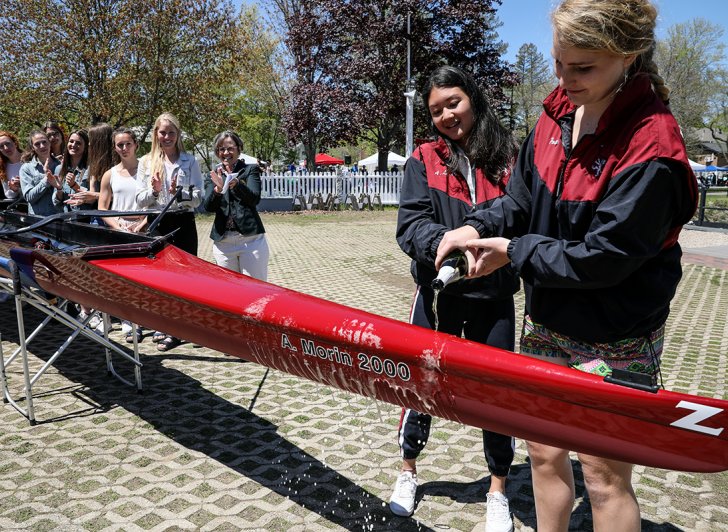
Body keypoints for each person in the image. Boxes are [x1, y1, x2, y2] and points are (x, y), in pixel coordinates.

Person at [436, 1, 698, 530]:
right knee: (542, 454)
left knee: (602, 480)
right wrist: (478, 224)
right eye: (559, 63)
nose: (565, 78)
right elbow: (521, 199)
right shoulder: (556, 112)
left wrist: (514, 251)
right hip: (549, 323)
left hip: (617, 333)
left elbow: (603, 260)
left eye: (583, 68)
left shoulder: (653, 148)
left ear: (628, 55)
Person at [390, 65, 519, 532]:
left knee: (496, 392)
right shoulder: (422, 157)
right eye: (436, 109)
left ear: (473, 99)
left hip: (494, 295)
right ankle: (407, 470)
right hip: (436, 291)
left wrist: (496, 252)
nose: (446, 114)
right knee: (419, 382)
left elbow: (522, 217)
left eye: (453, 102)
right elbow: (409, 224)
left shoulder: (507, 156)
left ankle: (498, 488)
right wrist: (446, 245)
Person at [136, 112, 203, 351]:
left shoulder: (189, 161)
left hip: (183, 221)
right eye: (162, 132)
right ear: (156, 134)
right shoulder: (146, 161)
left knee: (185, 276)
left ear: (178, 134)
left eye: (171, 132)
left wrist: (179, 192)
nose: (166, 137)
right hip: (158, 222)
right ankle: (165, 325)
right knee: (161, 277)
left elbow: (198, 198)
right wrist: (154, 191)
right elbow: (140, 200)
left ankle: (182, 327)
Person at [99, 127, 147, 342]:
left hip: (144, 231)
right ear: (115, 147)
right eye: (120, 145)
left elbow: (157, 201)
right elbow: (102, 208)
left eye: (128, 143)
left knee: (145, 281)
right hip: (119, 233)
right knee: (124, 282)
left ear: (136, 144)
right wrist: (117, 226)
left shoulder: (147, 170)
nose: (125, 148)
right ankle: (130, 324)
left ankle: (152, 322)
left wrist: (143, 223)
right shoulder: (110, 174)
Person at [204, 131, 269, 281]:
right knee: (229, 290)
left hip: (250, 241)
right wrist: (218, 190)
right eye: (221, 149)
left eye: (230, 148)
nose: (226, 152)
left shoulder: (250, 170)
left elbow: (254, 198)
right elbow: (208, 207)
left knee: (255, 288)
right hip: (223, 243)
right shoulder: (213, 175)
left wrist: (236, 184)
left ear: (239, 149)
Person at [19, 130, 62, 216]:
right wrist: (46, 180)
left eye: (44, 142)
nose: (42, 146)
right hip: (38, 221)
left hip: (60, 219)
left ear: (49, 143)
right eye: (37, 144)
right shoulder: (27, 168)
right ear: (32, 147)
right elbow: (29, 197)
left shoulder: (60, 165)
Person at [54, 129, 89, 211]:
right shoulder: (59, 169)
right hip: (64, 219)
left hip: (83, 220)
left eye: (78, 143)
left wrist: (74, 185)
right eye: (71, 141)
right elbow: (56, 203)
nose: (73, 145)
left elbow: (92, 199)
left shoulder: (90, 169)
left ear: (85, 147)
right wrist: (59, 190)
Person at [0, 131, 23, 201]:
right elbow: (8, 195)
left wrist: (24, 182)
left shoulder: (30, 159)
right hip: (23, 207)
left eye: (8, 144)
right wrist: (14, 189)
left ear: (15, 143)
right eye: (1, 146)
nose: (6, 148)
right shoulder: (3, 167)